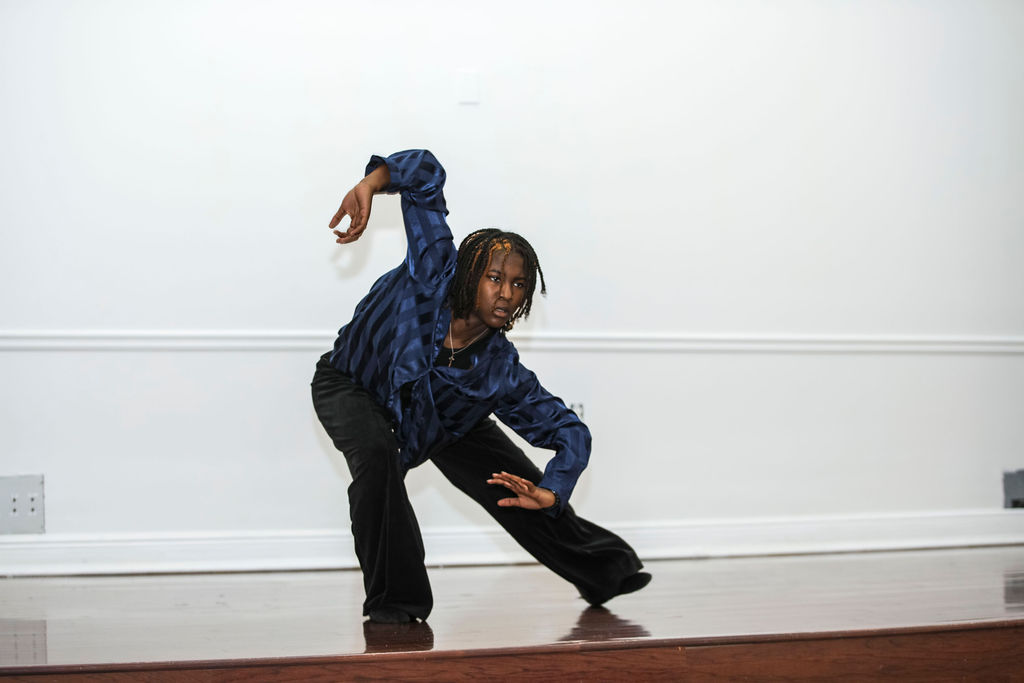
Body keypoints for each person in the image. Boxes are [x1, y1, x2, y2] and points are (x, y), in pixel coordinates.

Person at [311, 149, 650, 623]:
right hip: (351, 383)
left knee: (519, 488)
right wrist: (371, 184)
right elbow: (424, 174)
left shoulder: (498, 371)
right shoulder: (432, 269)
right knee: (375, 455)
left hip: (445, 421)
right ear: (471, 274)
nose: (507, 293)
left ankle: (605, 570)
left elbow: (570, 432)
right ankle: (397, 603)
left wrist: (552, 491)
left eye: (519, 284)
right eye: (495, 278)